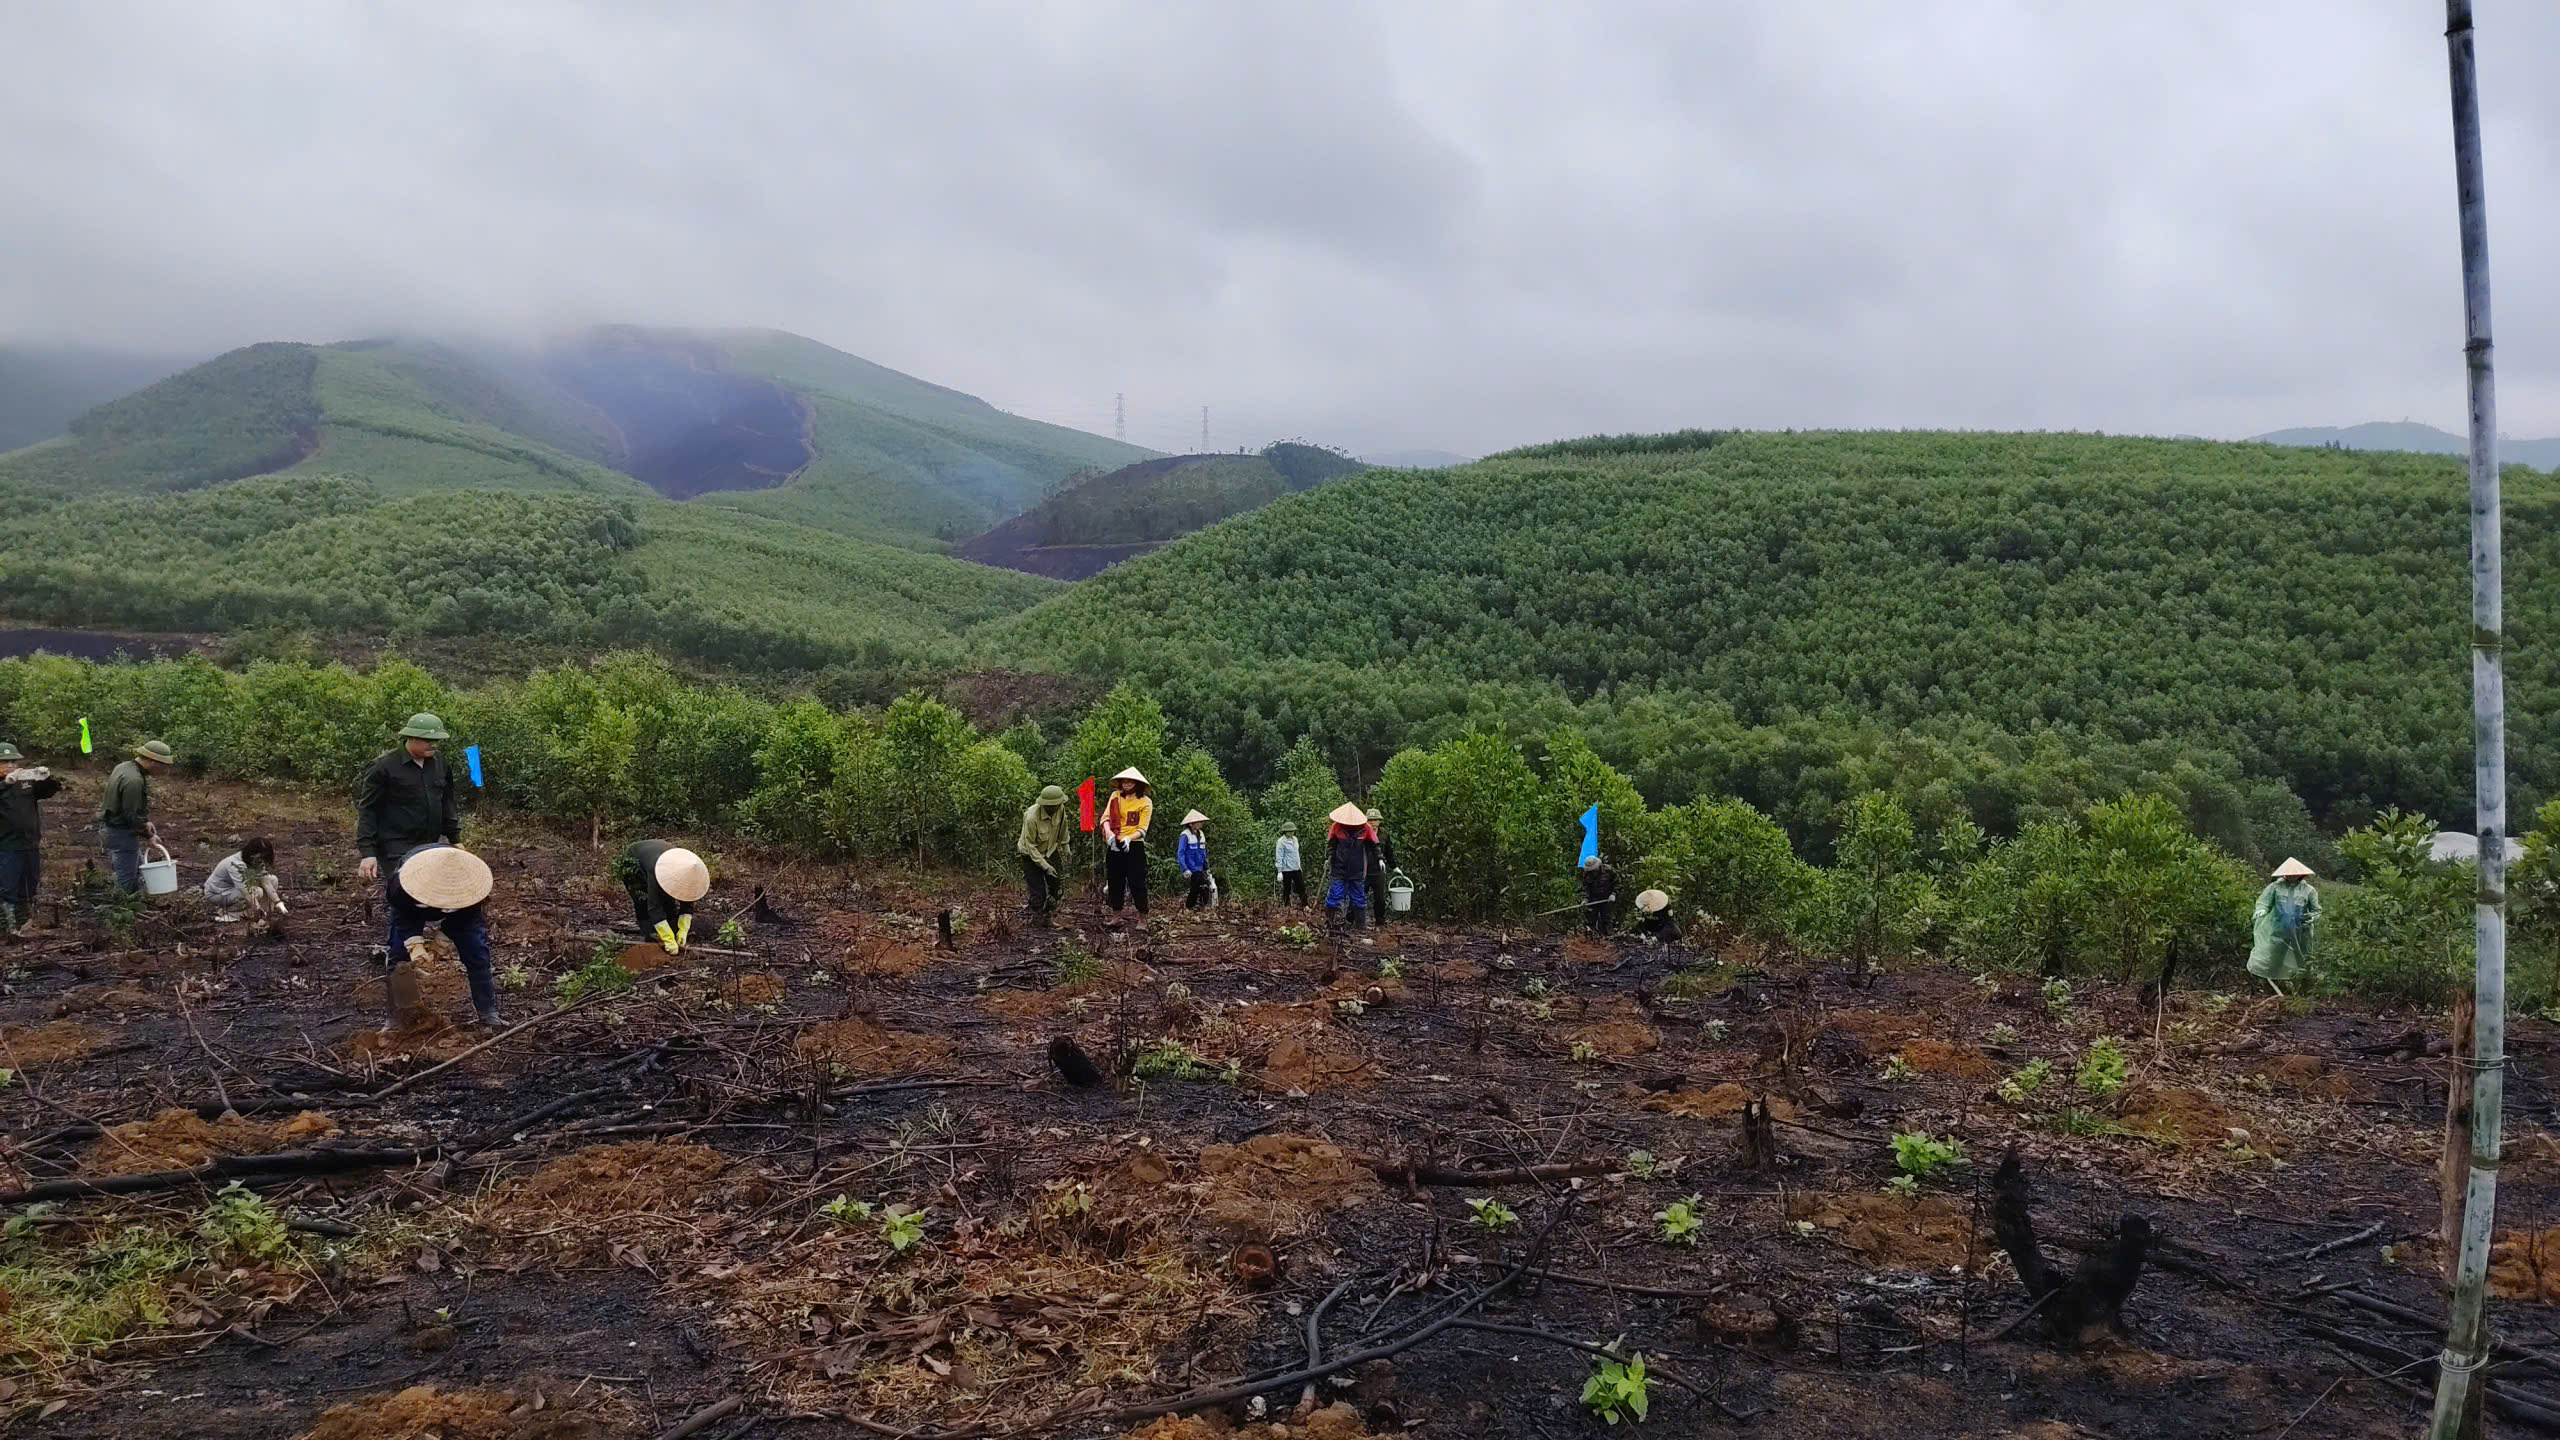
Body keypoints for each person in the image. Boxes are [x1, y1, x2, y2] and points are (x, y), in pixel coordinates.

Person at [355, 713, 460, 959]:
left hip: (430, 844)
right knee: (405, 896)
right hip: (395, 845)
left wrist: (455, 838)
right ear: (411, 738)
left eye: (437, 740)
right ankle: (400, 963)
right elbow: (368, 810)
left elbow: (447, 802)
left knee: (442, 893)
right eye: (428, 740)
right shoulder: (384, 767)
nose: (434, 745)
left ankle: (432, 945)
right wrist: (368, 853)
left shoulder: (440, 764)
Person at [391, 842, 502, 1027]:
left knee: (476, 951)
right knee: (398, 951)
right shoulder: (401, 885)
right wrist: (414, 944)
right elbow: (402, 916)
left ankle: (487, 1010)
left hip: (461, 909)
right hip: (412, 907)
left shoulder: (474, 887)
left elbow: (467, 918)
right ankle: (402, 1013)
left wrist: (441, 941)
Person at [0, 743, 61, 936]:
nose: (10, 765)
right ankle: (7, 927)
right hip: (6, 844)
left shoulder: (24, 782)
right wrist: (5, 784)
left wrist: (46, 778)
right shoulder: (7, 783)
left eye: (13, 761)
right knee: (6, 885)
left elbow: (48, 792)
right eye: (5, 762)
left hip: (29, 842)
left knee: (29, 883)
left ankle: (24, 924)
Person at [100, 740, 174, 894]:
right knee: (126, 879)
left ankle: (135, 903)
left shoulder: (124, 767)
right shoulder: (134, 780)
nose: (164, 769)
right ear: (153, 761)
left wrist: (146, 821)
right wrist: (149, 835)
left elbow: (129, 805)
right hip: (120, 832)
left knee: (135, 871)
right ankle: (120, 907)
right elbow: (131, 814)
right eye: (163, 765)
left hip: (112, 828)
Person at [619, 839, 709, 954]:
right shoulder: (655, 870)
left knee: (669, 899)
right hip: (633, 861)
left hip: (658, 854)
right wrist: (668, 938)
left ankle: (672, 928)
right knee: (642, 898)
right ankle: (649, 933)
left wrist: (683, 928)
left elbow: (687, 899)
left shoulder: (687, 869)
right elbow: (654, 906)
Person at [2249, 857, 2321, 994]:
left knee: (2303, 958)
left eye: (2294, 874)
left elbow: (2316, 910)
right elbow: (2264, 902)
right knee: (2275, 957)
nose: (2291, 876)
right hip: (2279, 930)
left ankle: (2305, 988)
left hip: (2301, 932)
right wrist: (2261, 910)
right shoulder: (2275, 887)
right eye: (2289, 873)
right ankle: (2271, 985)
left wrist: (2312, 918)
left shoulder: (2309, 890)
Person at [1101, 767, 1153, 915]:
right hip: (1114, 842)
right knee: (1114, 881)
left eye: (1130, 781)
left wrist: (1129, 839)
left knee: (1137, 882)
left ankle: (1142, 916)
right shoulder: (1115, 796)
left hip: (1134, 845)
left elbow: (1143, 829)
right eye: (1124, 781)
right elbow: (1105, 818)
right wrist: (1109, 833)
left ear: (1137, 784)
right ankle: (1116, 915)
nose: (1127, 784)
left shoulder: (1145, 802)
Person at [1016, 784, 1072, 919]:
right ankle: (1036, 920)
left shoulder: (1060, 809)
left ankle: (1047, 917)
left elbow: (1063, 827)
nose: (1055, 808)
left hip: (1050, 851)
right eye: (1052, 806)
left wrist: (1066, 847)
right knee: (1038, 893)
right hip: (1030, 854)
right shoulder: (1031, 817)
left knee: (1057, 888)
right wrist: (1045, 866)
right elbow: (1030, 845)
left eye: (1057, 805)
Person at [205, 837, 288, 925]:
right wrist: (257, 910)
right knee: (257, 892)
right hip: (218, 893)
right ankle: (230, 913)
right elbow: (246, 893)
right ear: (251, 854)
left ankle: (264, 912)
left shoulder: (257, 861)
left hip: (235, 890)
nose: (262, 860)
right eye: (260, 857)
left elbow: (266, 882)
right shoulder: (236, 864)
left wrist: (278, 902)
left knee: (273, 879)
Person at [1324, 801, 1377, 929]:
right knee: (1335, 896)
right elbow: (1331, 845)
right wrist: (1328, 858)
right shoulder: (1336, 827)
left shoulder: (1365, 828)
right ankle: (1331, 924)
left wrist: (1380, 859)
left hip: (1357, 869)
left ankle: (1360, 926)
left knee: (1358, 898)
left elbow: (1375, 845)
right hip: (1339, 867)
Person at [1364, 807, 1398, 925]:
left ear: (1379, 821)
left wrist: (1394, 867)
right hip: (1364, 870)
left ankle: (1380, 921)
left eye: (1375, 820)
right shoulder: (1361, 833)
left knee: (1380, 898)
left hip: (1379, 871)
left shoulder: (1384, 834)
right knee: (1358, 896)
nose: (1373, 823)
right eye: (1370, 820)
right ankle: (1352, 920)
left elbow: (1389, 852)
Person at [1177, 809, 1212, 909]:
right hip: (1191, 867)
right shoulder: (1185, 835)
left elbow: (1203, 852)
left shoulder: (1201, 834)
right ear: (1191, 824)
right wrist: (1184, 868)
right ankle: (1191, 906)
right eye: (1198, 822)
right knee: (1198, 886)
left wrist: (1206, 866)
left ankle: (1197, 905)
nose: (1200, 824)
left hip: (1199, 866)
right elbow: (1181, 853)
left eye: (1201, 822)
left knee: (1200, 886)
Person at [1580, 854, 1617, 936]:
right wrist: (1585, 899)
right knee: (1590, 920)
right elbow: (1585, 888)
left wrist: (1613, 894)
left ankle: (1609, 936)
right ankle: (1592, 937)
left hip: (1606, 898)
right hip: (1593, 899)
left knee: (1607, 919)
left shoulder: (1608, 870)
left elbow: (1616, 883)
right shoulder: (1586, 874)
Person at [1274, 821, 1307, 907]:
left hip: (1296, 867)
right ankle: (1286, 906)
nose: (1292, 833)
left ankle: (1305, 905)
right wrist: (1279, 871)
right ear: (1285, 832)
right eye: (1289, 831)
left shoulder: (1295, 839)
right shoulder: (1281, 842)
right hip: (1286, 869)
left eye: (1293, 831)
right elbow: (1279, 856)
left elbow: (1296, 854)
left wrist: (1299, 866)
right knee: (1287, 889)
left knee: (1301, 887)